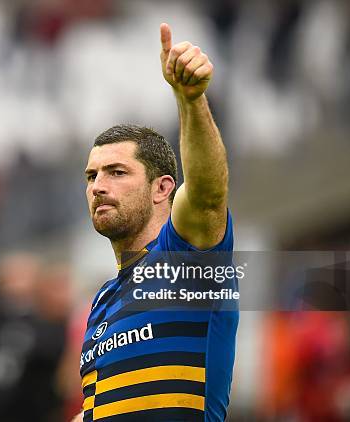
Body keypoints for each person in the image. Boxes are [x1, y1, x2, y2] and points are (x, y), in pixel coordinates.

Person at [73, 23, 238, 422]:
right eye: (92, 176)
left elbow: (207, 192)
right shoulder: (102, 301)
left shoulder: (183, 260)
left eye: (116, 172)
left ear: (162, 187)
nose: (98, 186)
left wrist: (190, 100)